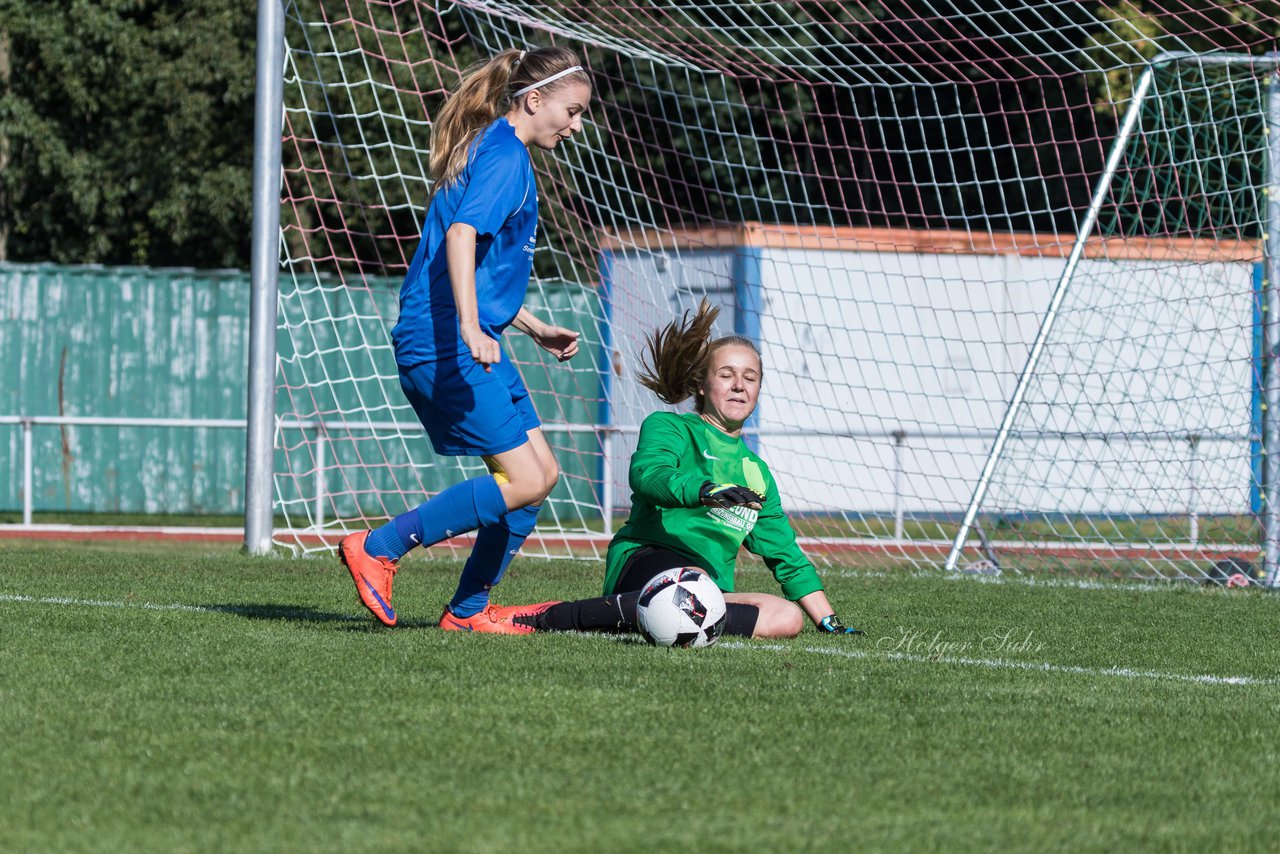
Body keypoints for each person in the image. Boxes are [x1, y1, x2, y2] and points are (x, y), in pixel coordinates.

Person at [335, 47, 592, 631]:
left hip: (466, 337)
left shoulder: (500, 151)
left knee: (542, 475)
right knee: (524, 480)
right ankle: (379, 547)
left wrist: (531, 326)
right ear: (534, 100)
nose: (575, 126)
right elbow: (460, 233)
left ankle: (469, 610)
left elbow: (478, 269)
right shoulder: (505, 157)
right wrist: (473, 328)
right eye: (572, 111)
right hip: (445, 342)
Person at [513, 299, 864, 639]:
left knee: (785, 618)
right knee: (694, 581)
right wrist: (705, 491)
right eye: (727, 375)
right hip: (644, 559)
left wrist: (829, 620)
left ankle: (649, 615)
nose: (739, 385)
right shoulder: (671, 427)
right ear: (701, 384)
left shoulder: (756, 473)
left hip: (705, 589)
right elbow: (648, 477)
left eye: (750, 377)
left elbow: (785, 554)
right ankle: (553, 616)